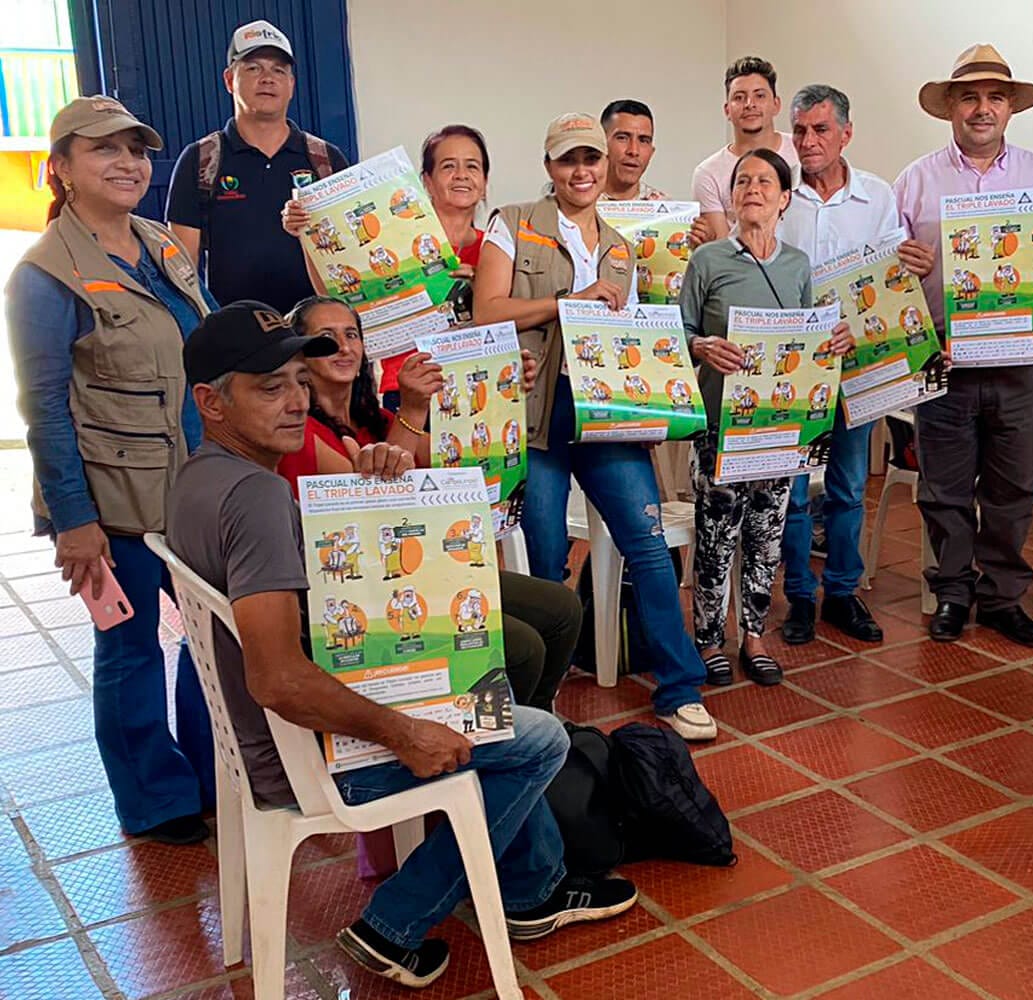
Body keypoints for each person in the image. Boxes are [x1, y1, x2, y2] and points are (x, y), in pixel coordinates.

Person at [167, 301, 636, 988]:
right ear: (210, 401)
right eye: (270, 387)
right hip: (304, 757)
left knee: (497, 680)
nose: (296, 400)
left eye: (299, 379)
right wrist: (404, 729)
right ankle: (397, 921)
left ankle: (527, 881)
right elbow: (276, 679)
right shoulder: (255, 498)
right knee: (538, 739)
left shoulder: (198, 478)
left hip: (264, 738)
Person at [5, 97, 218, 845]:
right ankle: (155, 801)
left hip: (193, 484)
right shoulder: (44, 276)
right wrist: (73, 519)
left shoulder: (161, 245)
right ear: (59, 169)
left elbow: (215, 333)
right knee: (129, 649)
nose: (128, 163)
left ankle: (213, 772)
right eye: (103, 150)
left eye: (136, 148)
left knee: (209, 635)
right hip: (114, 499)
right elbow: (45, 412)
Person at [474, 113, 717, 741]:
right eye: (567, 161)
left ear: (605, 167)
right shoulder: (513, 222)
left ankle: (679, 688)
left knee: (648, 538)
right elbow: (487, 312)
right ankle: (540, 692)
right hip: (537, 412)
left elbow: (624, 335)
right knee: (548, 552)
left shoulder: (618, 246)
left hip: (604, 413)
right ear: (549, 167)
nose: (581, 172)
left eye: (590, 160)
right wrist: (566, 302)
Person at [892, 44, 1033, 647]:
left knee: (1014, 487)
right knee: (944, 490)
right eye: (969, 97)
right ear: (950, 109)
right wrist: (902, 264)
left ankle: (1002, 597)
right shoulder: (913, 181)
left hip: (1021, 362)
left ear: (1010, 107)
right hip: (946, 360)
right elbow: (891, 283)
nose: (981, 108)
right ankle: (953, 593)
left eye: (993, 97)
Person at [277, 295, 581, 712]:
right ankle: (511, 745)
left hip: (423, 573)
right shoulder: (299, 432)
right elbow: (381, 511)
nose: (344, 347)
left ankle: (536, 724)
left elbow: (452, 467)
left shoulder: (375, 420)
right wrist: (413, 410)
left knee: (562, 608)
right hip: (366, 595)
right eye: (325, 339)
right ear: (299, 355)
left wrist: (502, 389)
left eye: (352, 335)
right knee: (523, 646)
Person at [681, 148, 855, 685]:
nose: (752, 188)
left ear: (784, 198)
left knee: (766, 533)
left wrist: (834, 341)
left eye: (765, 181)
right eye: (742, 181)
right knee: (716, 537)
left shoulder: (798, 264)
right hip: (720, 426)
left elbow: (808, 338)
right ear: (731, 197)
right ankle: (710, 639)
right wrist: (703, 346)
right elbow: (676, 338)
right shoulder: (707, 261)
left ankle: (754, 635)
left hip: (780, 427)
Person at [775, 83, 936, 646]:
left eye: (820, 130)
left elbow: (892, 276)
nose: (808, 141)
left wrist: (915, 265)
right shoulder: (778, 194)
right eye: (799, 130)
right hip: (794, 366)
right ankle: (798, 594)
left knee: (846, 486)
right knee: (794, 489)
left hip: (858, 362)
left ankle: (841, 592)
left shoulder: (877, 196)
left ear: (846, 133)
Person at [283, 124, 491, 410]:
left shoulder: (496, 250)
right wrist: (307, 235)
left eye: (472, 166)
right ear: (426, 182)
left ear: (484, 182)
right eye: (448, 166)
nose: (461, 175)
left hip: (475, 384)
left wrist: (484, 288)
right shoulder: (393, 242)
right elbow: (337, 301)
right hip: (404, 385)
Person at [165, 20, 350, 312]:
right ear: (229, 80)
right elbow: (181, 269)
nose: (267, 78)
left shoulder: (325, 159)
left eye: (279, 70)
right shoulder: (201, 160)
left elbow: (350, 248)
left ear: (291, 85)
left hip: (317, 334)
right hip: (236, 336)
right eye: (253, 68)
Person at [690, 56, 801, 243]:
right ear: (727, 110)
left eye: (760, 95)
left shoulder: (801, 150)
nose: (750, 104)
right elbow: (722, 248)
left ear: (776, 104)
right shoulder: (708, 173)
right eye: (739, 97)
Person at [601, 100, 667, 200]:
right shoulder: (577, 204)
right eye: (622, 138)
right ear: (601, 145)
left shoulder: (667, 210)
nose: (633, 151)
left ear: (651, 152)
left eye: (643, 140)